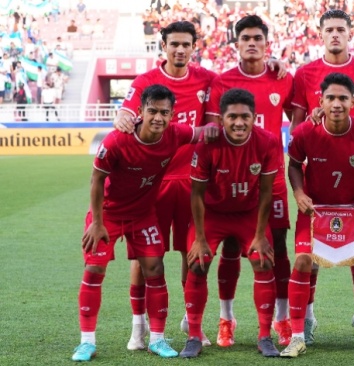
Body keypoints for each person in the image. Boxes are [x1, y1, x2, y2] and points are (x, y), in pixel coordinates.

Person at [71, 84, 217, 362]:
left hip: (142, 215)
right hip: (107, 215)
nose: (158, 118)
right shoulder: (117, 140)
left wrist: (237, 128)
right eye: (152, 111)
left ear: (173, 114)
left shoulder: (175, 134)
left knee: (155, 268)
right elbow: (96, 180)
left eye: (164, 112)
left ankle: (157, 340)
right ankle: (86, 342)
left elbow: (203, 132)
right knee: (94, 269)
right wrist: (97, 222)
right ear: (139, 111)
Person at [113, 20, 217, 349]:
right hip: (151, 185)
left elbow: (213, 125)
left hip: (192, 184)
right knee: (143, 260)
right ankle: (138, 328)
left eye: (187, 44)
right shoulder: (146, 82)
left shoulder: (208, 80)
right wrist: (120, 117)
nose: (181, 50)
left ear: (194, 47)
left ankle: (192, 324)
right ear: (164, 46)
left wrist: (277, 64)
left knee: (194, 256)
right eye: (174, 44)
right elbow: (126, 114)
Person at [280, 72, 354, 358]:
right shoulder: (306, 131)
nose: (337, 103)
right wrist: (298, 193)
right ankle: (300, 328)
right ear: (321, 101)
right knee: (305, 261)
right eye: (330, 98)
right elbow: (294, 165)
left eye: (343, 98)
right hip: (316, 207)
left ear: (353, 101)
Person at [289, 9, 354, 345]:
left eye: (341, 29)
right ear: (320, 33)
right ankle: (307, 321)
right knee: (309, 257)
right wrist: (311, 124)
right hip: (318, 183)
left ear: (350, 32)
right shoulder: (306, 72)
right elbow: (297, 128)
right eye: (330, 30)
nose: (336, 35)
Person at [205, 15, 295, 348]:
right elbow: (213, 134)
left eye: (258, 37)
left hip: (272, 179)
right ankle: (226, 319)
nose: (252, 42)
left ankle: (282, 318)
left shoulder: (283, 78)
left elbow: (297, 122)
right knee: (230, 246)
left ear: (267, 42)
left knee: (278, 249)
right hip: (233, 182)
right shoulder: (221, 82)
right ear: (236, 43)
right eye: (245, 38)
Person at [180, 88, 281, 358]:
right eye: (232, 117)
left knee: (263, 259)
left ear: (254, 117)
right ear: (222, 119)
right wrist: (200, 239)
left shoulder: (268, 142)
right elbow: (197, 195)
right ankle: (194, 335)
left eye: (245, 117)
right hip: (212, 214)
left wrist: (260, 235)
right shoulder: (206, 145)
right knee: (198, 263)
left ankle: (264, 335)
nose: (239, 122)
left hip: (248, 214)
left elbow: (267, 193)